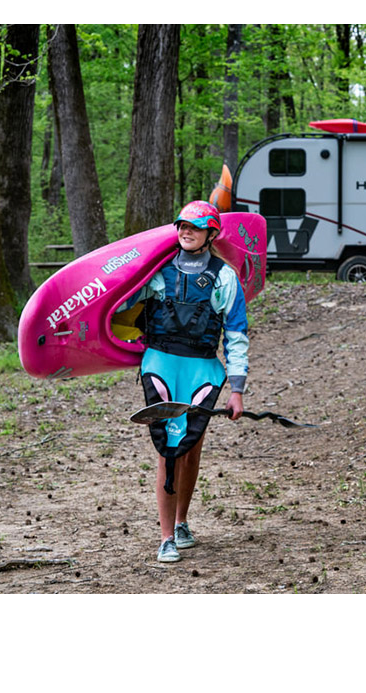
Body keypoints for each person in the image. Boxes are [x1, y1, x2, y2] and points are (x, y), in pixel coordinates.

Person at [119, 200, 249, 563]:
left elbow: (236, 335)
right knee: (168, 450)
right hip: (161, 363)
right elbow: (120, 305)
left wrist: (236, 390)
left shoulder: (224, 277)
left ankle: (181, 523)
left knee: (191, 449)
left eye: (194, 227)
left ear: (211, 234)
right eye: (181, 226)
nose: (185, 232)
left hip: (203, 370)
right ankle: (165, 538)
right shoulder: (157, 272)